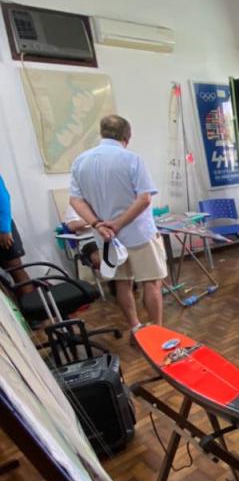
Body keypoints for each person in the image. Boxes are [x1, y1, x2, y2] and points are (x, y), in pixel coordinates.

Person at [69, 114, 167, 332]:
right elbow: (144, 198)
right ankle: (158, 331)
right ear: (127, 136)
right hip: (138, 234)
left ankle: (135, 326)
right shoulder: (131, 159)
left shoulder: (80, 161)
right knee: (152, 282)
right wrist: (119, 223)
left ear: (102, 133)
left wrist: (98, 224)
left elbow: (75, 200)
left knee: (122, 283)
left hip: (107, 238)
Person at [0, 175, 31, 293]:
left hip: (2, 231)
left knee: (17, 271)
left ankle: (35, 303)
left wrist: (4, 229)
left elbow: (3, 198)